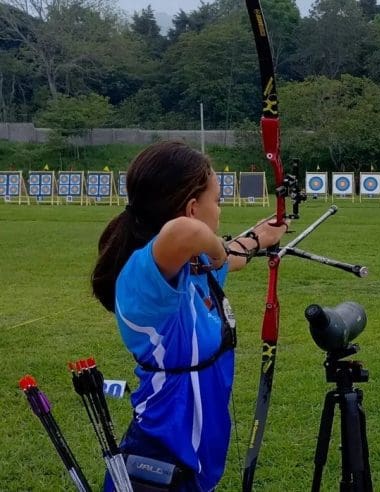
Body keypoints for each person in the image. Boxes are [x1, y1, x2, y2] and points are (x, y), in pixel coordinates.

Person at [91, 141, 287, 491]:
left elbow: (230, 257)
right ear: (193, 208)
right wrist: (215, 249)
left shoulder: (189, 269)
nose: (220, 210)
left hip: (193, 456)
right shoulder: (144, 279)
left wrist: (258, 237)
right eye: (217, 200)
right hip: (159, 458)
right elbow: (187, 234)